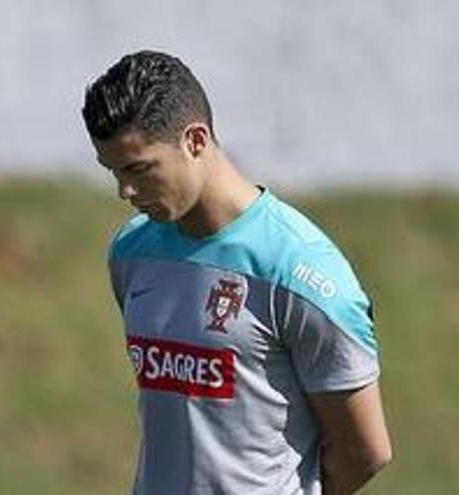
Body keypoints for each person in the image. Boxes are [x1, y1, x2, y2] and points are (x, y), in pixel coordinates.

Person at [82, 50, 391, 495]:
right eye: (112, 171)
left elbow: (365, 452)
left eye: (138, 169)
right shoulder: (132, 252)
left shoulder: (299, 269)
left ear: (195, 140)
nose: (124, 190)